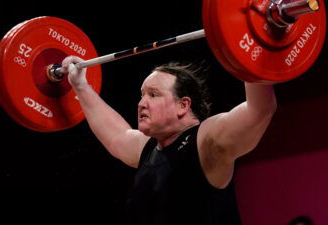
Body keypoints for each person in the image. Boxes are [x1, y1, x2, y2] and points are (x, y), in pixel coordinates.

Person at [61, 56, 277, 225]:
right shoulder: (148, 149)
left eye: (153, 95)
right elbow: (117, 135)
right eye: (142, 94)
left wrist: (252, 52)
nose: (142, 103)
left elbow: (259, 110)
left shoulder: (206, 141)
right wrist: (81, 86)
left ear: (183, 105)